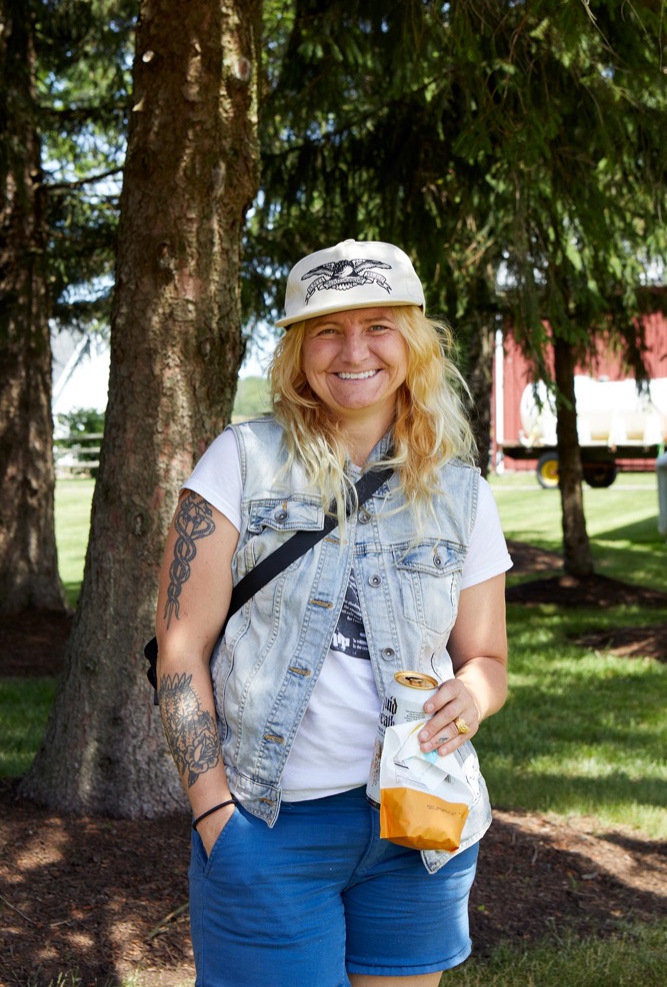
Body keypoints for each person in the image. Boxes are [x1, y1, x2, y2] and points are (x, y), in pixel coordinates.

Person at [155, 239, 512, 987]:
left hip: (421, 828)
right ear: (297, 351)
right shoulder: (240, 461)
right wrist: (215, 814)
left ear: (412, 342)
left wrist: (473, 697)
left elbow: (486, 659)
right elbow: (180, 649)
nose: (353, 350)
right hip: (268, 827)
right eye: (327, 330)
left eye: (377, 326)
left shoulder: (461, 491)